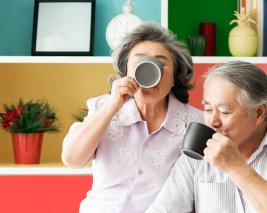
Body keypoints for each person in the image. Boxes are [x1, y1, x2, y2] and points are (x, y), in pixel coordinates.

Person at [146, 61, 267, 213]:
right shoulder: (196, 157)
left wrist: (236, 167)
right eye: (208, 110)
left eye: (224, 111)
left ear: (258, 113)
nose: (212, 121)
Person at [61, 22, 203, 213]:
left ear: (176, 75)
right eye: (140, 61)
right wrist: (113, 106)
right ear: (126, 70)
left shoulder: (195, 123)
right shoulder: (103, 108)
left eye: (160, 62)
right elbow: (72, 160)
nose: (151, 70)